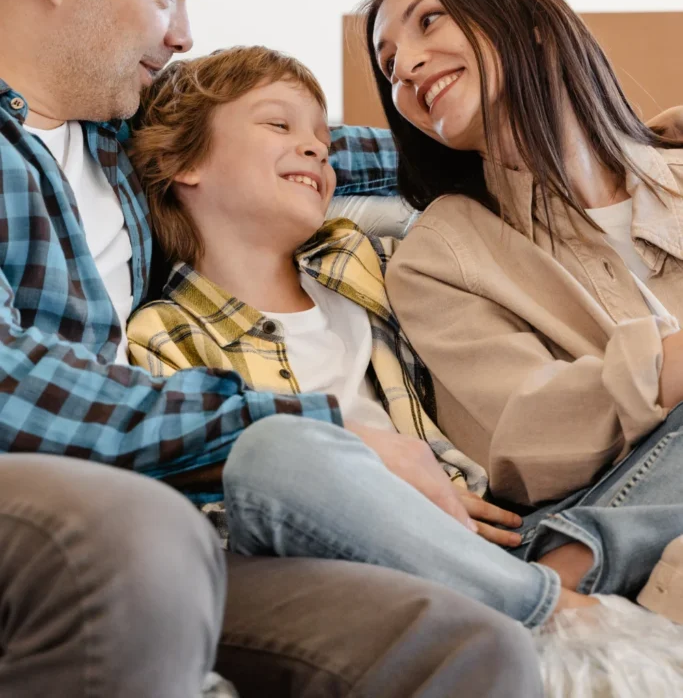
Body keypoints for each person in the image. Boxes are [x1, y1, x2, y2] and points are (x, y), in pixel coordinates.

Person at [0, 0, 543, 697]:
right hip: (83, 509)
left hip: (180, 520)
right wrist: (305, 434)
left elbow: (322, 157)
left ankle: (546, 607)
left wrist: (614, 141)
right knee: (139, 532)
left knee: (463, 646)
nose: (183, 33)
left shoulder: (120, 135)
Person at [124, 43, 682, 642]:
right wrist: (376, 484)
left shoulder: (375, 262)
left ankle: (566, 569)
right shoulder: (160, 335)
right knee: (271, 451)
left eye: (324, 140)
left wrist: (623, 139)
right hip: (359, 553)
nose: (316, 146)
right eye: (278, 124)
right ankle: (553, 609)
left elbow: (461, 160)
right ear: (183, 160)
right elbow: (219, 501)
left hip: (500, 531)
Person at [363, 0, 683, 622]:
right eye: (388, 67)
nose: (408, 68)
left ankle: (571, 571)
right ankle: (561, 572)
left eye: (429, 21)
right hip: (584, 507)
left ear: (530, 20)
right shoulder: (440, 252)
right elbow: (519, 435)